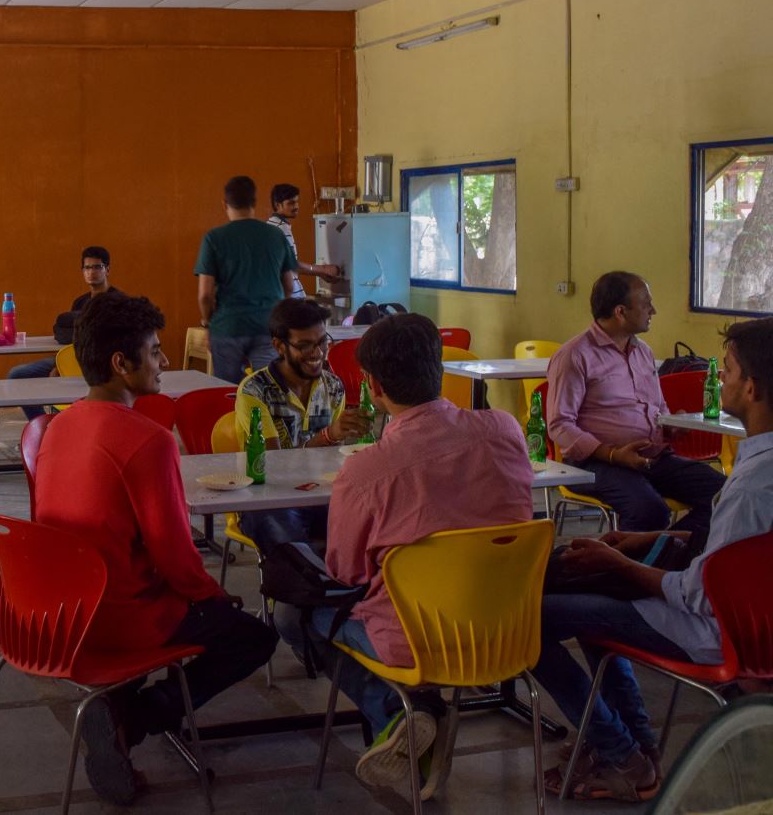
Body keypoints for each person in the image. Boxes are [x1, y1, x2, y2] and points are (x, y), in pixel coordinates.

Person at [34, 290, 277, 805]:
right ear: (122, 364)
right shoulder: (149, 439)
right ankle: (135, 721)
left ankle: (114, 709)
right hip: (123, 615)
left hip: (63, 610)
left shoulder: (57, 426)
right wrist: (213, 594)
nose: (165, 361)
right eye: (154, 351)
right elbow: (175, 555)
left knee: (183, 599)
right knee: (252, 637)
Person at [280, 313, 533, 800]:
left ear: (372, 387)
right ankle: (416, 724)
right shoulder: (504, 431)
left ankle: (400, 714)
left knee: (295, 615)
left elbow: (345, 573)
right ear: (440, 369)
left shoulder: (366, 472)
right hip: (505, 630)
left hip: (415, 639)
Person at [534, 318, 773, 803]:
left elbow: (699, 597)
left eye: (725, 370)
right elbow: (747, 551)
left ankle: (622, 753)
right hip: (744, 613)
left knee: (533, 617)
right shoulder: (757, 471)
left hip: (716, 634)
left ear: (750, 386)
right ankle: (634, 747)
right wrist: (654, 539)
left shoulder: (752, 485)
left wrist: (621, 565)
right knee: (597, 593)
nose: (718, 378)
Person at [546, 271, 725, 541]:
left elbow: (656, 407)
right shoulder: (575, 355)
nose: (653, 310)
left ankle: (669, 553)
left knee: (726, 494)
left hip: (653, 457)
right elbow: (559, 425)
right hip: (596, 464)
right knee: (649, 511)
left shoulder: (643, 352)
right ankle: (634, 570)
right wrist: (612, 454)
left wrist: (670, 425)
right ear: (621, 311)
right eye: (646, 304)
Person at [235, 298, 370, 554]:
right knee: (285, 533)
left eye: (322, 342)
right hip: (269, 500)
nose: (317, 353)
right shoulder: (255, 391)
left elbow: (333, 461)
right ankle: (314, 582)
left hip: (321, 494)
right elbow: (273, 465)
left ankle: (333, 581)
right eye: (304, 345)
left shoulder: (333, 387)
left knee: (372, 518)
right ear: (279, 346)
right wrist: (329, 435)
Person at [195, 175, 298, 382]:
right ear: (254, 201)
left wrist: (207, 323)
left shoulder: (214, 238)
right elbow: (289, 285)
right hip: (268, 325)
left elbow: (205, 295)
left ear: (224, 203)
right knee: (268, 388)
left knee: (227, 392)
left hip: (228, 326)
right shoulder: (275, 236)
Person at [6, 245, 116, 421]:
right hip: (72, 359)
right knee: (17, 375)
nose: (91, 272)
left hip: (100, 366)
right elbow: (71, 341)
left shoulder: (118, 302)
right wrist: (60, 365)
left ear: (107, 269)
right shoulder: (80, 302)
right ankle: (42, 425)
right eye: (87, 267)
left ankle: (61, 425)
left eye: (97, 267)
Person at [267, 183, 343, 299]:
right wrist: (322, 269)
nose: (296, 206)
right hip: (287, 298)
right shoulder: (281, 228)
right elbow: (291, 264)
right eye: (291, 203)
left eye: (297, 202)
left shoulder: (272, 224)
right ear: (278, 205)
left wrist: (320, 272)